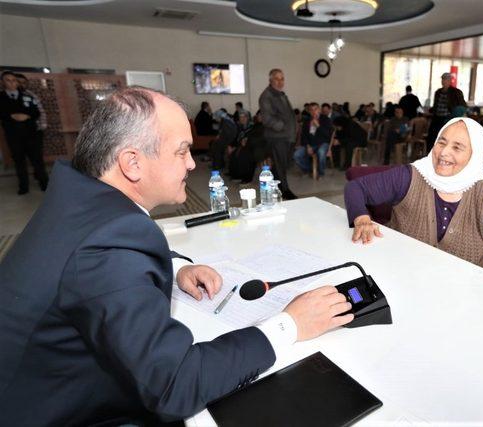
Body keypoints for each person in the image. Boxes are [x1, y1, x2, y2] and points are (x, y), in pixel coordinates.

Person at [0, 87, 354, 426]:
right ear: (132, 163)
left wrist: (177, 266)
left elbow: (93, 260)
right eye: (182, 151)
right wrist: (289, 324)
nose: (190, 164)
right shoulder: (110, 243)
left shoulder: (79, 200)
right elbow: (174, 385)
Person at [344, 117, 483, 284]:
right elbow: (356, 188)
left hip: (462, 296)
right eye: (441, 142)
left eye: (457, 147)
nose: (444, 152)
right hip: (401, 277)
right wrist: (362, 219)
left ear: (474, 155)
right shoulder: (411, 176)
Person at [0, 70, 48, 194]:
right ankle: (23, 187)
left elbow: (37, 112)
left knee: (37, 160)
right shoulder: (1, 97)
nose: (11, 83)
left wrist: (26, 116)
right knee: (19, 161)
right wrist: (12, 116)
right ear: (3, 82)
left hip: (31, 134)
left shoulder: (27, 95)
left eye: (13, 80)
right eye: (8, 80)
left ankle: (44, 184)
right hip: (13, 136)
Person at [258, 68, 297, 200]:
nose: (280, 82)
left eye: (282, 78)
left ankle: (276, 189)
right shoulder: (267, 96)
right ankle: (285, 191)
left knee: (281, 165)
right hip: (277, 137)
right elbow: (267, 119)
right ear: (270, 80)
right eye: (277, 79)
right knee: (280, 166)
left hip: (287, 137)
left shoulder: (280, 94)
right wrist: (283, 126)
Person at [427, 72, 467, 152]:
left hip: (448, 118)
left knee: (444, 137)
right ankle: (431, 153)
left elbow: (462, 106)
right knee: (431, 136)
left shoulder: (456, 92)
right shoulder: (438, 92)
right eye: (443, 79)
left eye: (445, 79)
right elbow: (436, 106)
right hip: (437, 117)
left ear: (450, 80)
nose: (443, 81)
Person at [294, 102, 333, 177]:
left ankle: (321, 172)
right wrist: (308, 146)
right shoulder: (307, 121)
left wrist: (318, 126)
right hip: (310, 144)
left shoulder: (326, 119)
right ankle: (309, 169)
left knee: (321, 152)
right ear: (309, 111)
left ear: (319, 110)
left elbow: (328, 135)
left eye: (316, 109)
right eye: (311, 110)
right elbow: (304, 136)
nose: (314, 111)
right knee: (296, 155)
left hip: (323, 143)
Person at [228, 110, 256, 183]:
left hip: (251, 147)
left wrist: (238, 145)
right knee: (234, 153)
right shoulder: (240, 127)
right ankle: (236, 175)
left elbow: (250, 139)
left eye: (244, 117)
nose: (242, 119)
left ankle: (247, 178)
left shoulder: (252, 126)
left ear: (248, 118)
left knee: (243, 154)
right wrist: (231, 145)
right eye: (240, 117)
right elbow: (236, 138)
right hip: (241, 145)